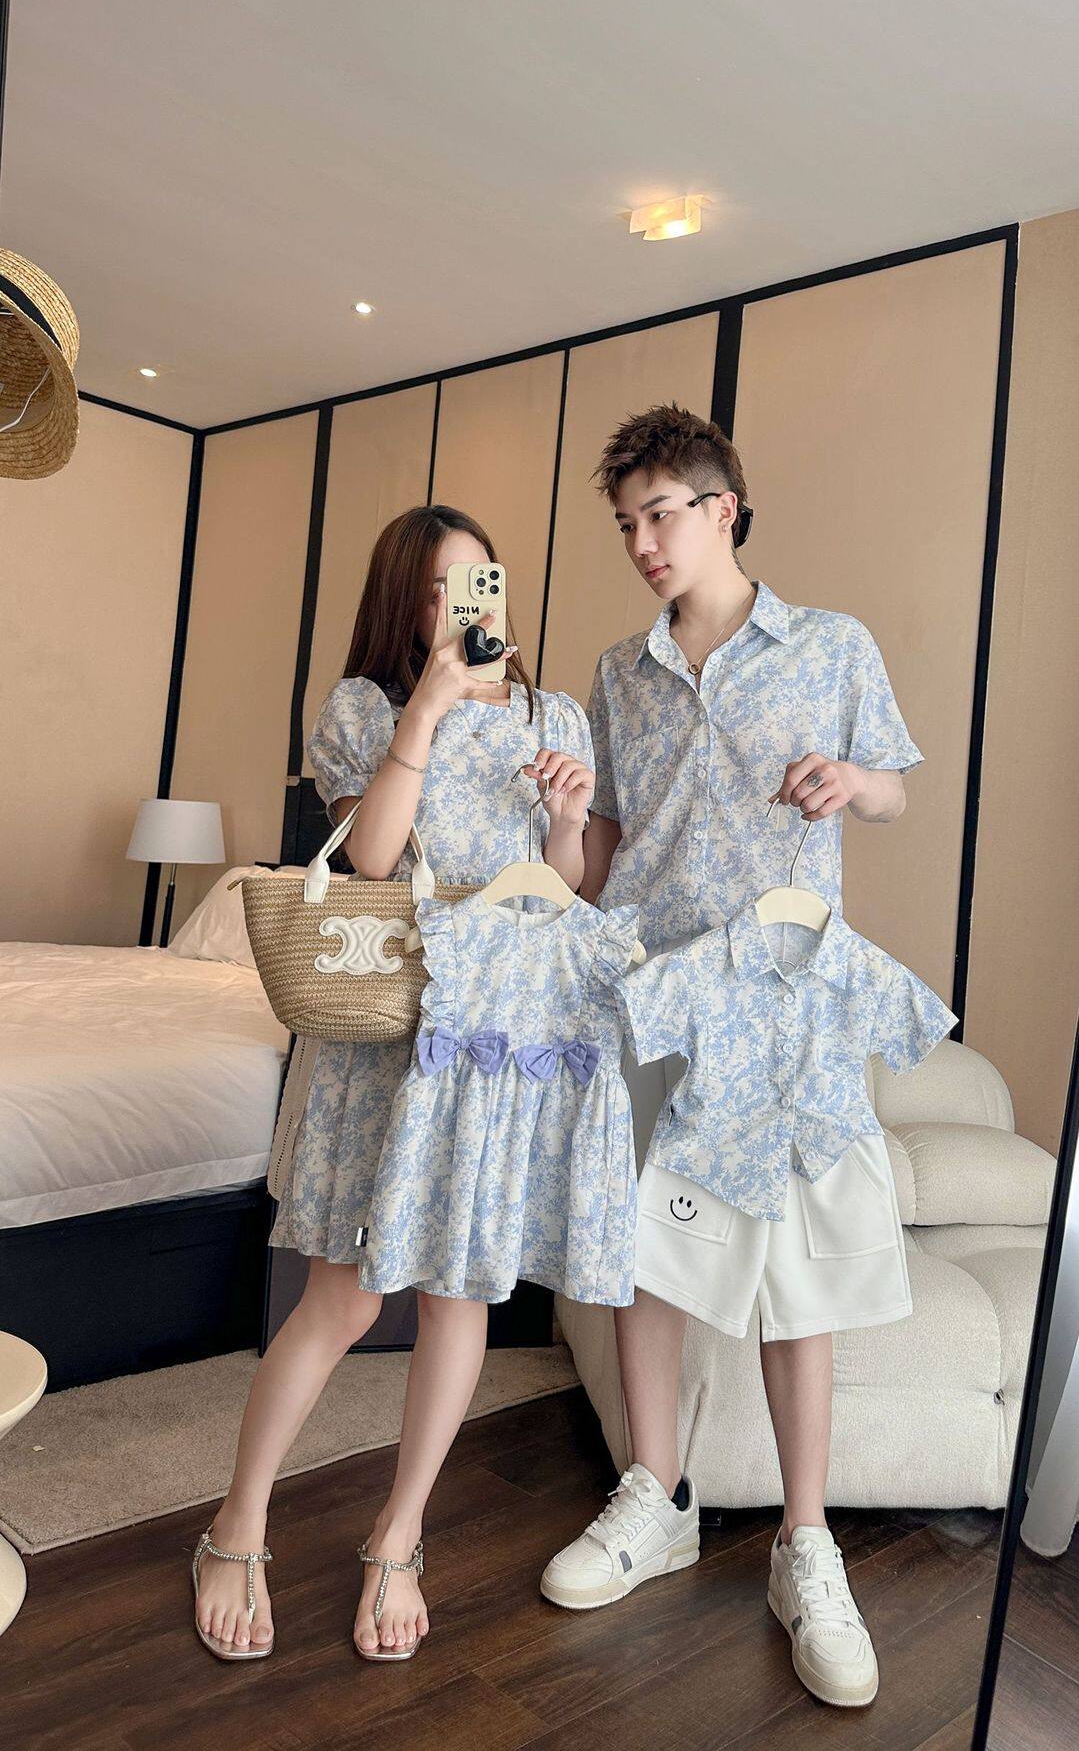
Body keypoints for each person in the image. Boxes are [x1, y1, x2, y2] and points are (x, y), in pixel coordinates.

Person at [541, 405, 926, 1708]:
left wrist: (849, 785)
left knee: (794, 1273)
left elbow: (891, 787)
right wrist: (565, 821)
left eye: (659, 514)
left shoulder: (830, 645)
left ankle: (805, 1546)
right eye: (624, 524)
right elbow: (600, 865)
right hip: (655, 994)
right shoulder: (617, 674)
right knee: (640, 1255)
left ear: (722, 507)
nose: (641, 542)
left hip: (784, 991)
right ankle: (653, 1498)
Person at [192, 503, 595, 1663]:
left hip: (488, 1038)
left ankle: (398, 1536)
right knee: (342, 1299)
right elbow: (368, 861)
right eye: (436, 589)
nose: (462, 606)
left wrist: (566, 821)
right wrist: (426, 707)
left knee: (459, 1300)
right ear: (403, 604)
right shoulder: (362, 708)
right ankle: (236, 1524)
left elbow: (559, 887)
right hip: (383, 1033)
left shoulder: (552, 716)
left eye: (478, 582)